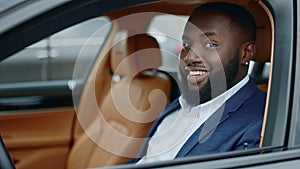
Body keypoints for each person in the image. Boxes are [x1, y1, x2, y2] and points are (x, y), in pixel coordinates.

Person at [135, 2, 266, 164]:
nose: (189, 57)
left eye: (210, 44)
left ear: (246, 53)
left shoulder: (261, 121)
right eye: (187, 45)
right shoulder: (179, 105)